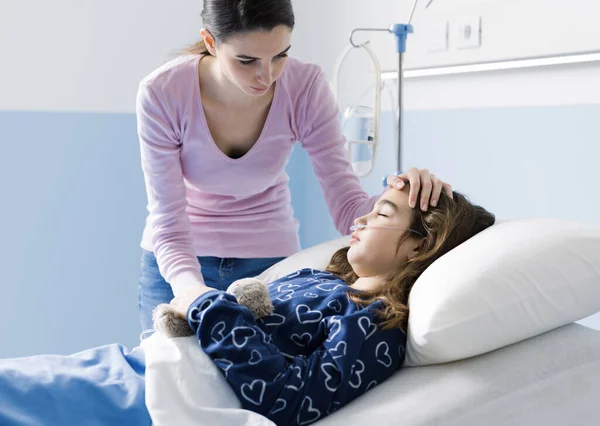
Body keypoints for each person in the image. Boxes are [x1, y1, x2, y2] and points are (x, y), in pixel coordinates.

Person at [0, 184, 494, 426]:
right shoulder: (322, 278)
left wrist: (207, 305)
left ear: (418, 245)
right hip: (138, 365)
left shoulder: (372, 325)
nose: (362, 216)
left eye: (383, 211)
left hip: (160, 397)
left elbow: (288, 399)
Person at [136, 0, 452, 332]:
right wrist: (191, 291)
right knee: (165, 379)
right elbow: (168, 220)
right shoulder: (163, 93)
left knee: (255, 377)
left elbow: (348, 208)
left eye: (280, 56)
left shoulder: (305, 87)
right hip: (177, 262)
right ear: (210, 42)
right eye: (247, 60)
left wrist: (407, 192)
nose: (266, 76)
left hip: (268, 262)